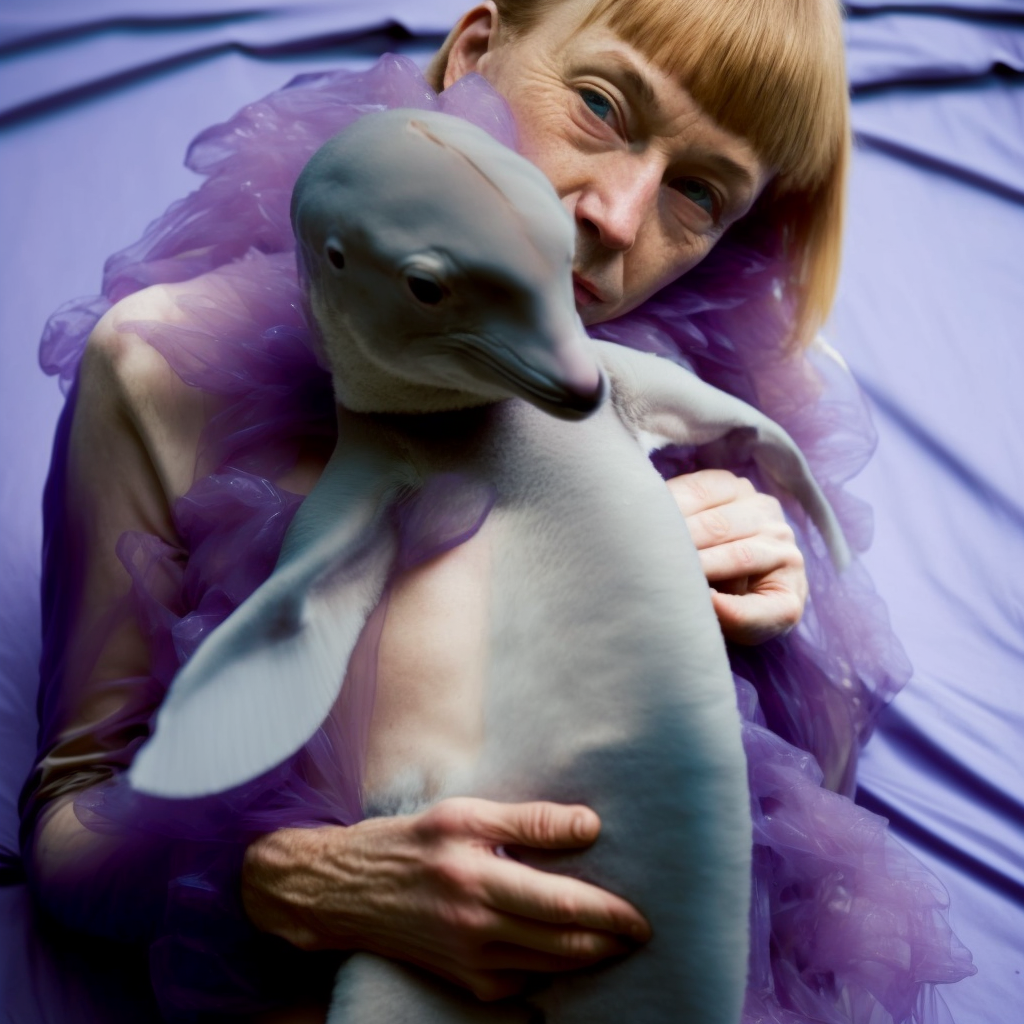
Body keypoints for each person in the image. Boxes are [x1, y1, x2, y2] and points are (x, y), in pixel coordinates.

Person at [19, 1, 974, 1021]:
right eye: (601, 106)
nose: (615, 216)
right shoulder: (168, 367)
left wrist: (781, 626)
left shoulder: (713, 392)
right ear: (474, 51)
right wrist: (292, 879)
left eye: (698, 194)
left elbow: (800, 849)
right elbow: (66, 829)